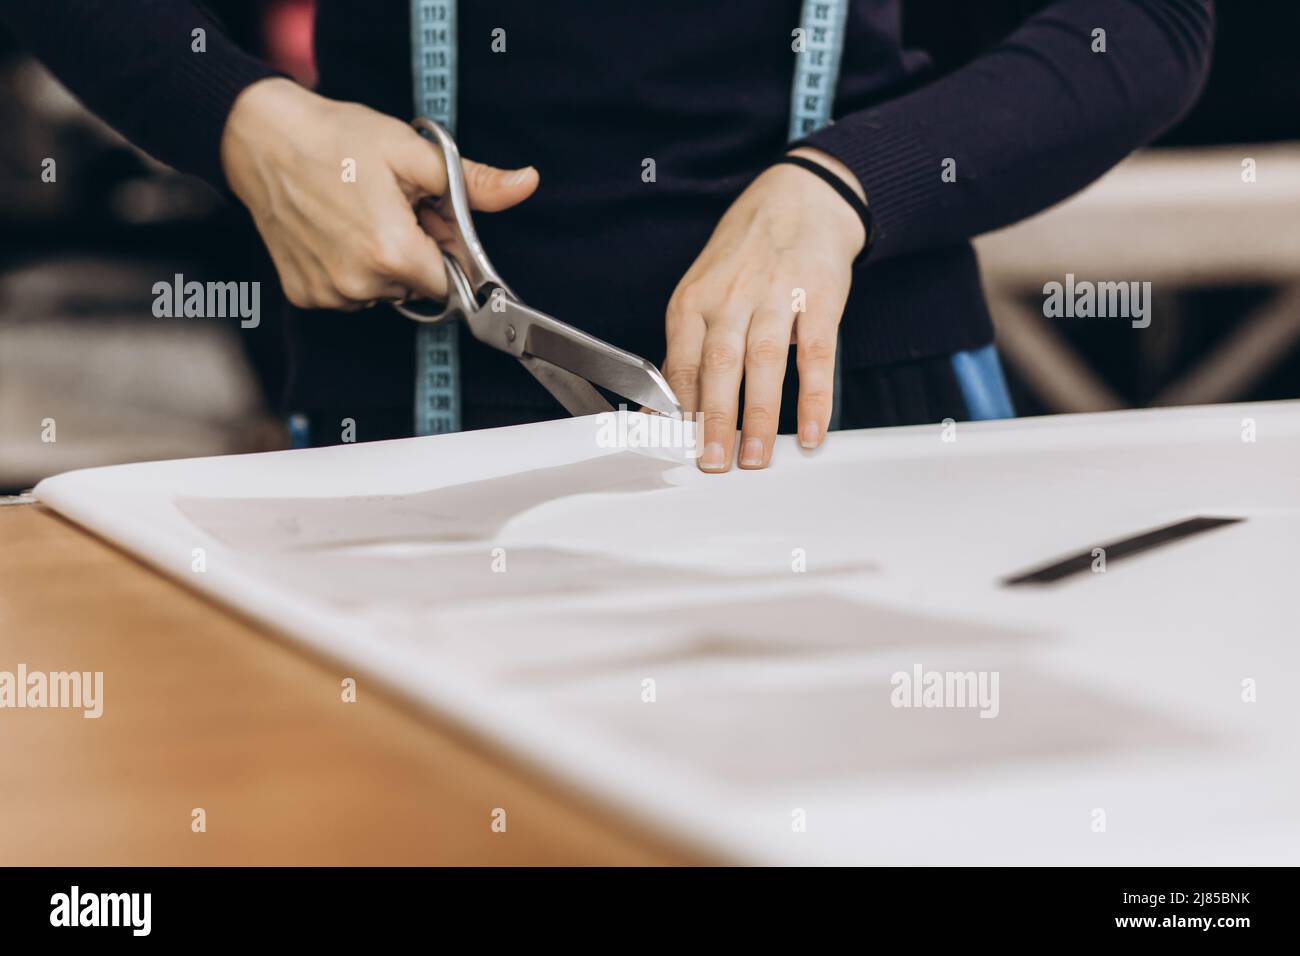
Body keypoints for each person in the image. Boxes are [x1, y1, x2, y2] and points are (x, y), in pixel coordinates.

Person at [2, 1, 1213, 471]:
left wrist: (846, 183)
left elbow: (1147, 20)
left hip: (856, 408)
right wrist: (242, 119)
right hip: (402, 426)